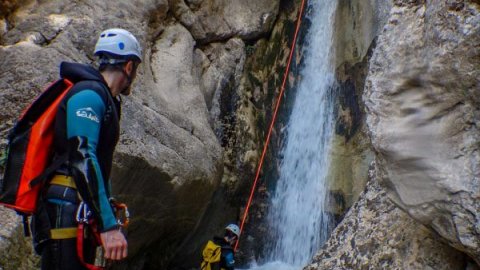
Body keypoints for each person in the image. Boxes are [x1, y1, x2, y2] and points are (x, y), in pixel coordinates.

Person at [31, 28, 142, 269]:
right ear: (129, 67)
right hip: (67, 203)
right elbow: (83, 156)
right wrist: (108, 226)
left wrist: (107, 211)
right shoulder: (89, 94)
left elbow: (99, 163)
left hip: (75, 204)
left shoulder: (104, 99)